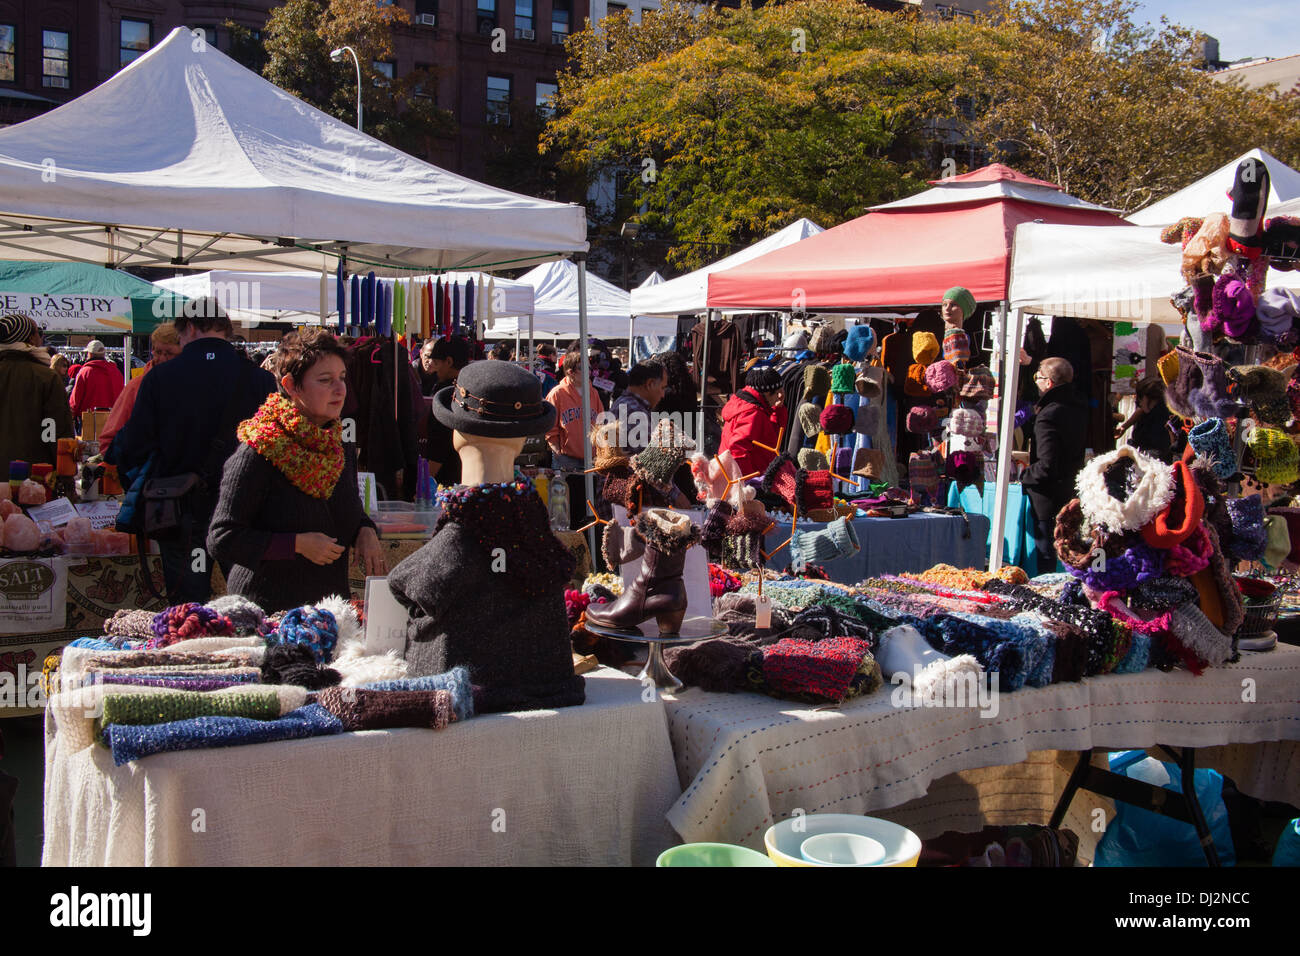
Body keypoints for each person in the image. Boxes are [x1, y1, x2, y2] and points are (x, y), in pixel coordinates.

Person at [109, 298, 277, 604]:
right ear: (225, 329)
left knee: (189, 612)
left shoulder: (159, 378)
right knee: (252, 606)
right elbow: (277, 449)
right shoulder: (261, 380)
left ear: (188, 328)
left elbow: (132, 447)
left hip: (180, 512)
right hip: (245, 511)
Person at [208, 329, 385, 611]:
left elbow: (343, 509)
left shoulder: (338, 446)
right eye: (326, 380)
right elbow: (221, 538)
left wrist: (364, 529)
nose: (340, 390)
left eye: (342, 378)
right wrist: (295, 544)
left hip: (328, 609)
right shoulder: (259, 451)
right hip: (267, 611)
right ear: (291, 385)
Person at [1022, 357, 1088, 576]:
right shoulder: (1078, 407)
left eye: (1037, 378)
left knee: (1047, 558)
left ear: (1048, 382)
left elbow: (1047, 465)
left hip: (1047, 496)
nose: (1036, 382)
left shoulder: (1048, 415)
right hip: (1069, 489)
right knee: (1068, 551)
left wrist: (1024, 474)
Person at [0, 313, 73, 479]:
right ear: (31, 339)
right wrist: (66, 478)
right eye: (38, 333)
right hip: (34, 478)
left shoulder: (45, 377)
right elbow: (55, 431)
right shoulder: (46, 377)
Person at [98, 323, 181, 456]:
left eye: (169, 353)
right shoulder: (137, 385)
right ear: (152, 350)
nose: (163, 359)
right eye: (158, 352)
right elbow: (109, 441)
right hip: (143, 471)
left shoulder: (190, 385)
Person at [420, 335, 471, 486]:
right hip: (469, 475)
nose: (434, 368)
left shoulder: (445, 394)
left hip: (445, 480)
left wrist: (424, 482)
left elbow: (439, 444)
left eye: (436, 363)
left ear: (448, 362)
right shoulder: (472, 389)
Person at [719, 366, 788, 477]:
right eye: (777, 392)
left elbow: (771, 438)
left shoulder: (745, 403)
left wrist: (778, 410)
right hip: (747, 481)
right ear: (765, 393)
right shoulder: (753, 413)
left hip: (745, 476)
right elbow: (737, 449)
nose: (780, 396)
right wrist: (750, 482)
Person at [545, 349, 603, 471]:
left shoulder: (593, 393)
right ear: (570, 372)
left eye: (589, 367)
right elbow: (549, 427)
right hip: (566, 458)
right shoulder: (557, 393)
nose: (588, 371)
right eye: (582, 368)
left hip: (591, 458)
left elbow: (601, 423)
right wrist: (557, 452)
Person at [607, 359, 667, 455]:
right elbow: (646, 460)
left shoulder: (624, 403)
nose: (663, 395)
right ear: (649, 384)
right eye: (662, 388)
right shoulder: (634, 410)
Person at [1118, 377, 1179, 463]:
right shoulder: (1152, 408)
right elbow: (1141, 410)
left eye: (1140, 399)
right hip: (1147, 450)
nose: (1140, 403)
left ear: (1147, 397)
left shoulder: (1161, 414)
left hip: (1154, 456)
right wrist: (1124, 427)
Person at [68, 339, 125, 420]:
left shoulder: (85, 372)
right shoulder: (116, 372)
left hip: (90, 420)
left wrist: (72, 414)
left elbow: (75, 400)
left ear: (90, 354)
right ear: (103, 354)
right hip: (113, 420)